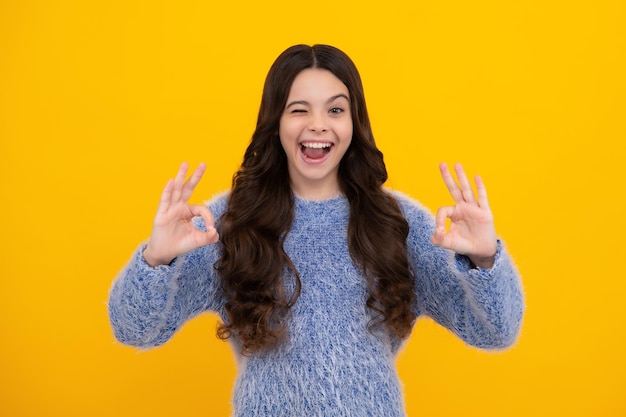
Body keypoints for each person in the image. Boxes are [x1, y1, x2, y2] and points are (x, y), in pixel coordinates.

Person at [108, 44, 524, 416]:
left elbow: (496, 332)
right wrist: (155, 261)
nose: (319, 125)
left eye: (335, 109)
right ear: (276, 123)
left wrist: (486, 260)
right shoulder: (231, 223)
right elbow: (134, 329)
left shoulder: (397, 225)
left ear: (353, 122)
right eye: (299, 109)